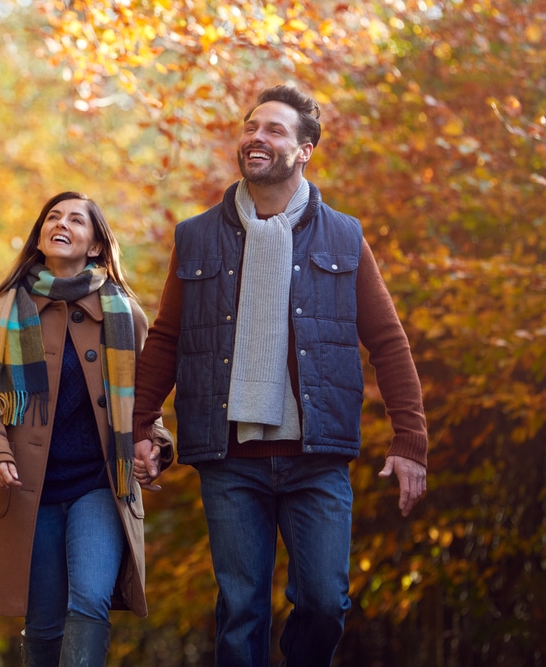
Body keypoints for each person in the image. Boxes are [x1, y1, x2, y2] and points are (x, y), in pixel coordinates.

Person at [132, 85, 429, 667]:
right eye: (250, 128)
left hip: (315, 456)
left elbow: (388, 340)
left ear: (304, 150)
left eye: (273, 130)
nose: (255, 139)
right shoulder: (195, 236)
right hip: (229, 456)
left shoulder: (344, 235)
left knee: (324, 603)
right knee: (241, 610)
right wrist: (141, 424)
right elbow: (168, 337)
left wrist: (410, 439)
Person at [0, 191, 173, 667]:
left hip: (100, 483)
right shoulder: (2, 312)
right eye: (53, 217)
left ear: (96, 245)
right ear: (40, 236)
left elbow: (144, 405)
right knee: (43, 623)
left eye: (76, 220)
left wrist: (154, 446)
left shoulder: (125, 315)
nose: (61, 224)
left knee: (90, 603)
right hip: (29, 489)